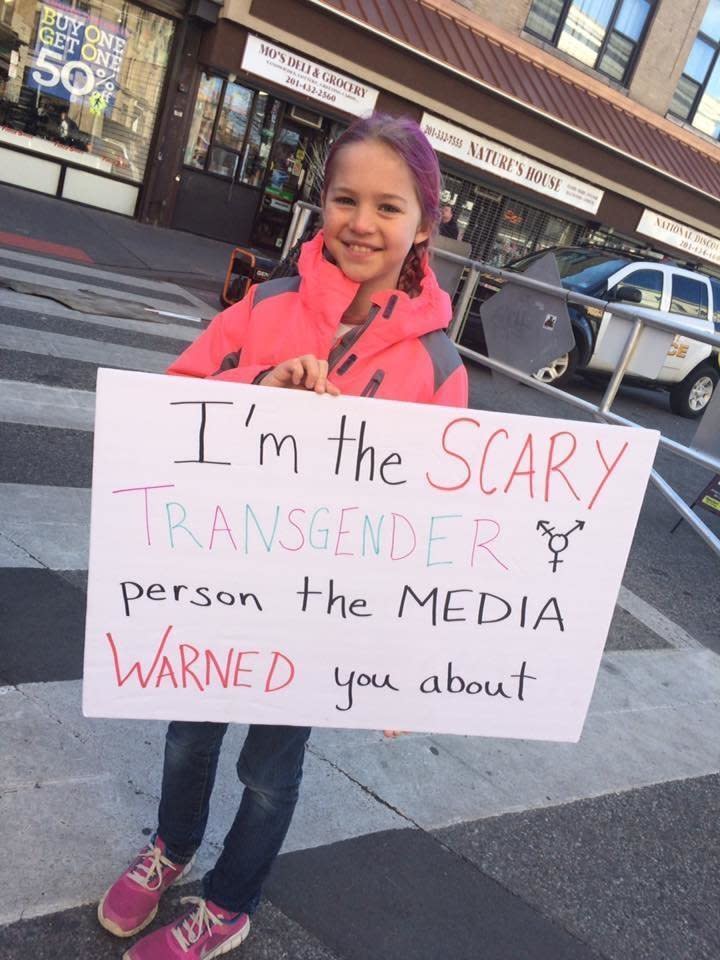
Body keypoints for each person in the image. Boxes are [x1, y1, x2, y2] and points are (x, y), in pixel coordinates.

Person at [96, 112, 469, 960]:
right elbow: (169, 407)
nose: (362, 223)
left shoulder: (439, 367)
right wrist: (260, 387)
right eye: (345, 198)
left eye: (389, 205)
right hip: (217, 580)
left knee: (269, 771)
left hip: (319, 616)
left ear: (425, 222)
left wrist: (413, 662)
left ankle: (230, 902)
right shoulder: (262, 305)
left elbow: (444, 525)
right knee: (189, 734)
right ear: (321, 202)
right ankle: (173, 847)